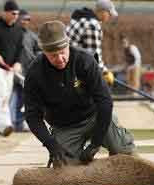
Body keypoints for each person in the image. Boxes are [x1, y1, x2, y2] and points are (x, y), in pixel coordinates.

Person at [24, 20, 135, 167]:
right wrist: (51, 145)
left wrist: (95, 143)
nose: (60, 59)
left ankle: (120, 145)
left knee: (123, 151)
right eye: (53, 55)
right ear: (44, 52)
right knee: (64, 167)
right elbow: (32, 116)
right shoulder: (35, 72)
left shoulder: (85, 60)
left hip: (93, 116)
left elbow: (105, 102)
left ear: (68, 45)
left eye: (62, 52)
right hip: (64, 126)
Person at [0, 0, 23, 136]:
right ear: (5, 12)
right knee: (1, 92)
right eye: (13, 13)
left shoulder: (18, 30)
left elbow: (20, 49)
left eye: (17, 14)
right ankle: (6, 123)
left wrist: (18, 63)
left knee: (5, 97)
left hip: (9, 69)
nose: (16, 16)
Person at [66, 0, 118, 74]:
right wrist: (105, 72)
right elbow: (93, 56)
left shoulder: (81, 18)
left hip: (67, 60)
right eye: (109, 14)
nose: (110, 17)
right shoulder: (92, 26)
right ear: (102, 11)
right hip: (72, 67)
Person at [10, 9, 40, 132]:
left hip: (27, 72)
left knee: (23, 98)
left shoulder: (33, 36)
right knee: (10, 97)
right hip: (12, 70)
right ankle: (11, 122)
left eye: (28, 19)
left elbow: (38, 50)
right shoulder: (11, 34)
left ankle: (19, 122)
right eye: (23, 19)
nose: (25, 21)